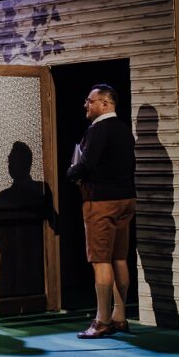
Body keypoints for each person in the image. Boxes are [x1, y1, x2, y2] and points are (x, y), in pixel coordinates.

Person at [66, 84, 136, 338]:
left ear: (105, 104)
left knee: (101, 261)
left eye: (90, 101)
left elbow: (86, 164)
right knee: (119, 258)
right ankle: (120, 316)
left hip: (101, 203)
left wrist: (71, 173)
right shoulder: (124, 129)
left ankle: (102, 320)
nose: (86, 104)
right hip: (126, 200)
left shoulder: (98, 129)